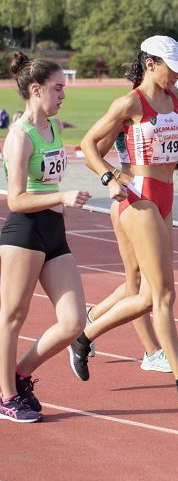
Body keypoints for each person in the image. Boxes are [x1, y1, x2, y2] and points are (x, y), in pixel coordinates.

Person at [73, 35, 178, 402]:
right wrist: (110, 177)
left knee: (143, 295)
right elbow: (88, 145)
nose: (177, 77)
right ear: (151, 63)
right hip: (137, 198)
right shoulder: (130, 102)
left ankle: (83, 337)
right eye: (172, 70)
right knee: (164, 293)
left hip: (166, 195)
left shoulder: (177, 100)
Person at [0, 53, 90, 422]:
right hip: (24, 231)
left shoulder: (54, 129)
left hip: (54, 233)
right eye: (57, 89)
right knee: (12, 317)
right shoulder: (19, 138)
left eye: (63, 89)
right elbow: (16, 199)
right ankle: (6, 397)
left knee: (73, 323)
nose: (62, 95)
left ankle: (19, 375)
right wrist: (62, 196)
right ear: (35, 91)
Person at [83, 130, 171, 372]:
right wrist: (119, 178)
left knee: (144, 284)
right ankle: (152, 352)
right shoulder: (128, 109)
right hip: (130, 200)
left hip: (154, 199)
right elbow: (92, 157)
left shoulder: (167, 107)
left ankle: (91, 317)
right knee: (138, 283)